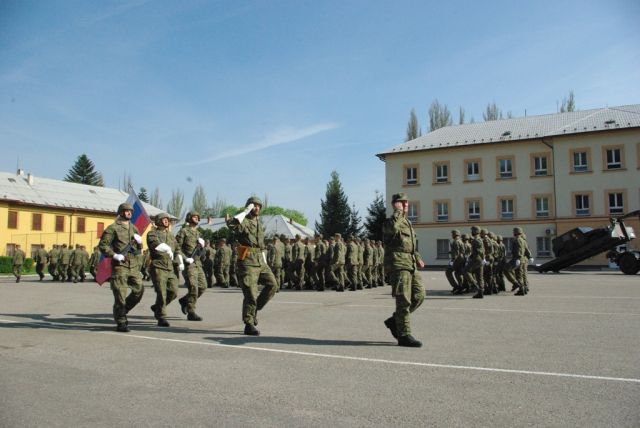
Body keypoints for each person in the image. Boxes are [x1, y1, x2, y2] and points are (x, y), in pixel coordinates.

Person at [225, 196, 279, 336]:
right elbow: (231, 225)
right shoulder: (244, 221)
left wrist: (264, 259)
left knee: (273, 285)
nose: (257, 208)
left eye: (259, 206)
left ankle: (254, 310)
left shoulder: (259, 223)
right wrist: (244, 211)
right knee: (251, 293)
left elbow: (260, 244)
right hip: (247, 261)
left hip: (260, 259)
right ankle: (248, 324)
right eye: (254, 205)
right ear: (249, 207)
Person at [382, 192, 425, 347]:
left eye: (406, 202)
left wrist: (417, 257)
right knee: (403, 300)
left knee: (419, 295)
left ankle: (395, 320)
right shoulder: (391, 222)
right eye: (402, 202)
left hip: (410, 264)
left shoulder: (407, 222)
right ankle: (404, 335)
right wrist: (398, 212)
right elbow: (392, 229)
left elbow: (410, 245)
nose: (406, 205)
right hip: (398, 264)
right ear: (395, 204)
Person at [98, 203, 144, 333]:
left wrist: (140, 243)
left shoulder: (134, 228)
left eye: (130, 211)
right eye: (126, 211)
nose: (129, 213)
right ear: (121, 212)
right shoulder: (113, 228)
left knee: (139, 290)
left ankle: (123, 310)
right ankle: (121, 321)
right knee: (120, 295)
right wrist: (114, 255)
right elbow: (103, 245)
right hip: (120, 266)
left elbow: (138, 250)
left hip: (133, 266)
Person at [147, 213, 182, 327]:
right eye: (163, 219)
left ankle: (157, 307)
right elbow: (155, 245)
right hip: (158, 266)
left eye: (167, 219)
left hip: (170, 267)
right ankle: (161, 317)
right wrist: (167, 248)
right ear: (158, 221)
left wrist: (180, 259)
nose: (166, 221)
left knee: (173, 291)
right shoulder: (152, 233)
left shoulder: (171, 235)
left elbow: (177, 248)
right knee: (161, 292)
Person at [176, 211, 207, 321]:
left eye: (198, 217)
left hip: (198, 263)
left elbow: (201, 252)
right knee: (193, 287)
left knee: (202, 286)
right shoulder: (183, 231)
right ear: (189, 218)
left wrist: (202, 247)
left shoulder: (198, 233)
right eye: (194, 217)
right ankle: (191, 312)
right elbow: (177, 247)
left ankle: (185, 300)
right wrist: (185, 259)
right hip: (189, 264)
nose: (197, 218)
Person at [445, 230, 465, 294]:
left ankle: (456, 286)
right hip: (461, 259)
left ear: (454, 234)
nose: (452, 235)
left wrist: (452, 261)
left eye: (452, 234)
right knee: (458, 273)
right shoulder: (460, 241)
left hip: (457, 260)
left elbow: (456, 253)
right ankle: (460, 287)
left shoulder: (455, 242)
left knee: (448, 272)